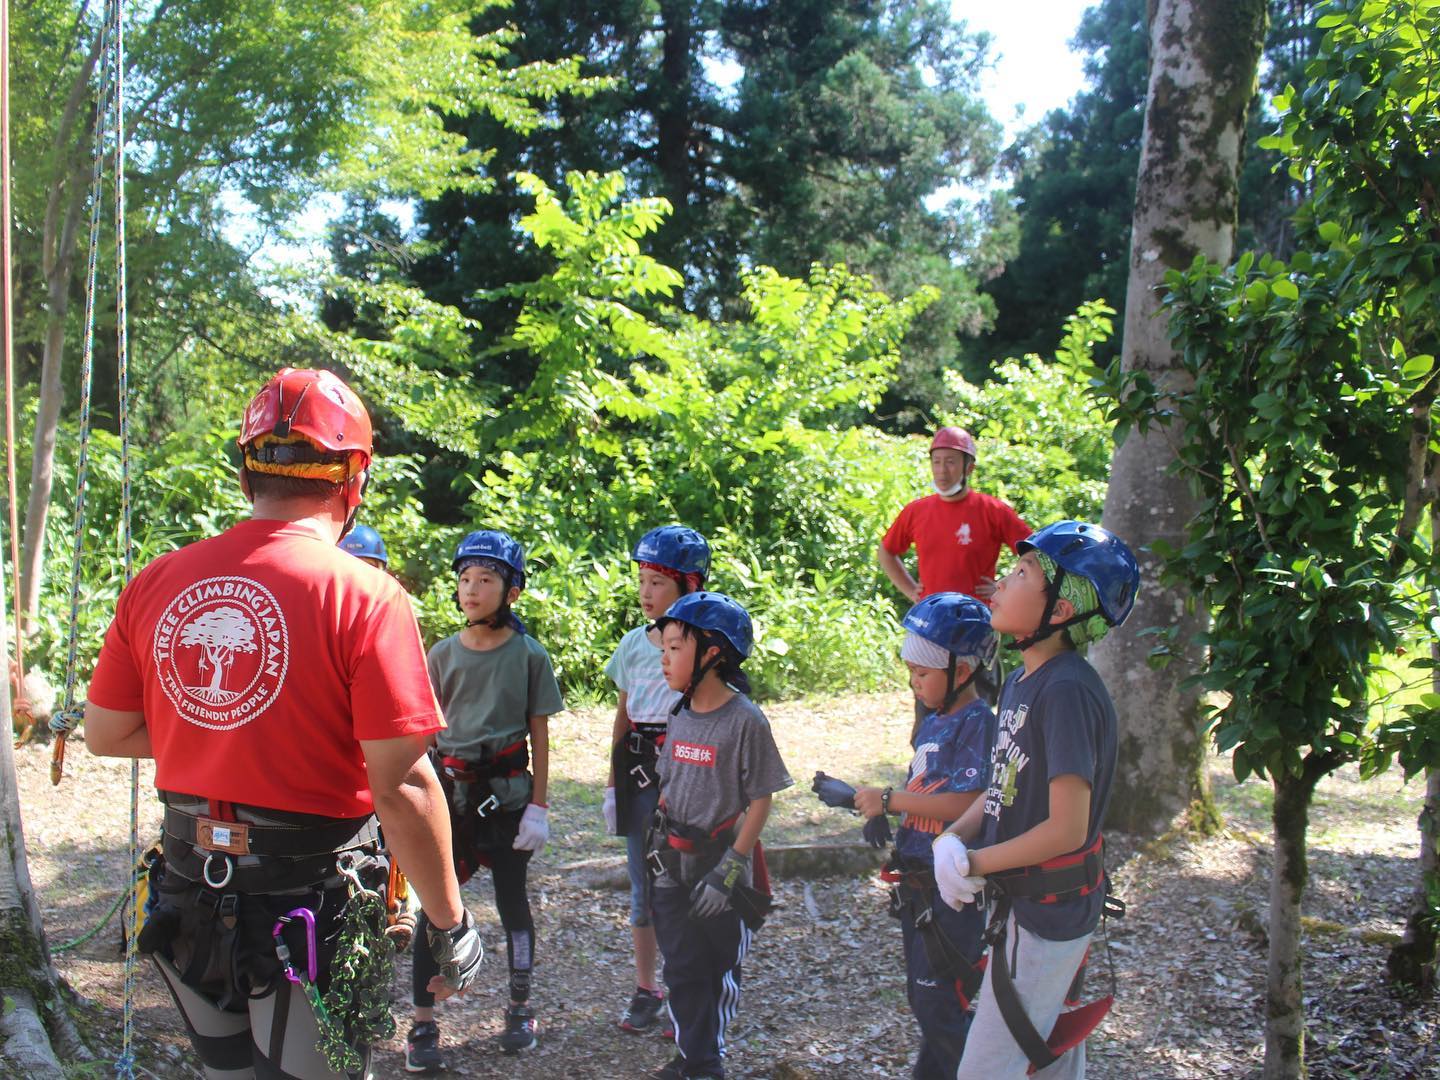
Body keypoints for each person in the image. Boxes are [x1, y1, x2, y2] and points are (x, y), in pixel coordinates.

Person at [84, 367, 483, 1080]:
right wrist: (450, 922)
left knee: (228, 1072)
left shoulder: (158, 580)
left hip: (189, 891)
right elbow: (404, 784)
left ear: (248, 473)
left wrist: (223, 734)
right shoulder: (364, 596)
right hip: (313, 901)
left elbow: (108, 733)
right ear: (353, 478)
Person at [930, 521, 1139, 1079]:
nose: (1001, 580)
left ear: (1063, 611)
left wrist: (972, 863)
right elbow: (1003, 787)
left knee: (987, 1068)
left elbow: (1067, 829)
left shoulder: (1067, 689)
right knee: (1044, 1057)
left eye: (1021, 573)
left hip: (1047, 913)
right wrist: (953, 837)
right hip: (1023, 905)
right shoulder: (1024, 680)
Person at [815, 593, 997, 1079]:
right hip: (918, 885)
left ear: (962, 671)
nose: (914, 683)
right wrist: (871, 805)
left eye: (923, 673)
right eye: (911, 672)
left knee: (938, 1000)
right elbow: (928, 795)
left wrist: (891, 799)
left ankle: (992, 1068)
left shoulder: (978, 721)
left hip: (952, 891)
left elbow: (968, 802)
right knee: (928, 999)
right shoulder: (934, 721)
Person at [406, 529, 563, 1072]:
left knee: (513, 901)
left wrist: (539, 806)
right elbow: (425, 733)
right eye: (465, 579)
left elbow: (539, 733)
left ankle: (520, 1007)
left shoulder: (528, 655)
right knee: (435, 903)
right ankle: (424, 1019)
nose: (472, 589)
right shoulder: (442, 654)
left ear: (511, 591)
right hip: (449, 795)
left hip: (507, 796)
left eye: (486, 579)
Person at [645, 592, 792, 1080]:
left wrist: (731, 867)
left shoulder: (744, 721)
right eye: (662, 649)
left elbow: (762, 798)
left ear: (711, 654)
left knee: (715, 969)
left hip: (720, 870)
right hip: (672, 865)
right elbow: (670, 786)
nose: (664, 659)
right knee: (681, 968)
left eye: (674, 649)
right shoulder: (679, 713)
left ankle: (707, 1058)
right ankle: (697, 1060)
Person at [603, 525, 711, 1035]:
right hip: (640, 775)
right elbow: (623, 719)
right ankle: (648, 987)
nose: (646, 593)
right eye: (642, 581)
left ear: (689, 587)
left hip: (688, 776)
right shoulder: (631, 645)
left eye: (658, 584)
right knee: (643, 888)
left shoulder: (703, 648)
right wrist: (611, 785)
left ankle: (686, 986)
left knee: (684, 884)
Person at [877, 427, 1030, 604]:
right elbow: (886, 552)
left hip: (977, 618)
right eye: (936, 462)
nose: (942, 470)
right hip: (929, 617)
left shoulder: (993, 510)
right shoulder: (916, 510)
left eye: (950, 462)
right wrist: (911, 591)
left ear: (969, 467)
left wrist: (1005, 586)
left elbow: (1036, 554)